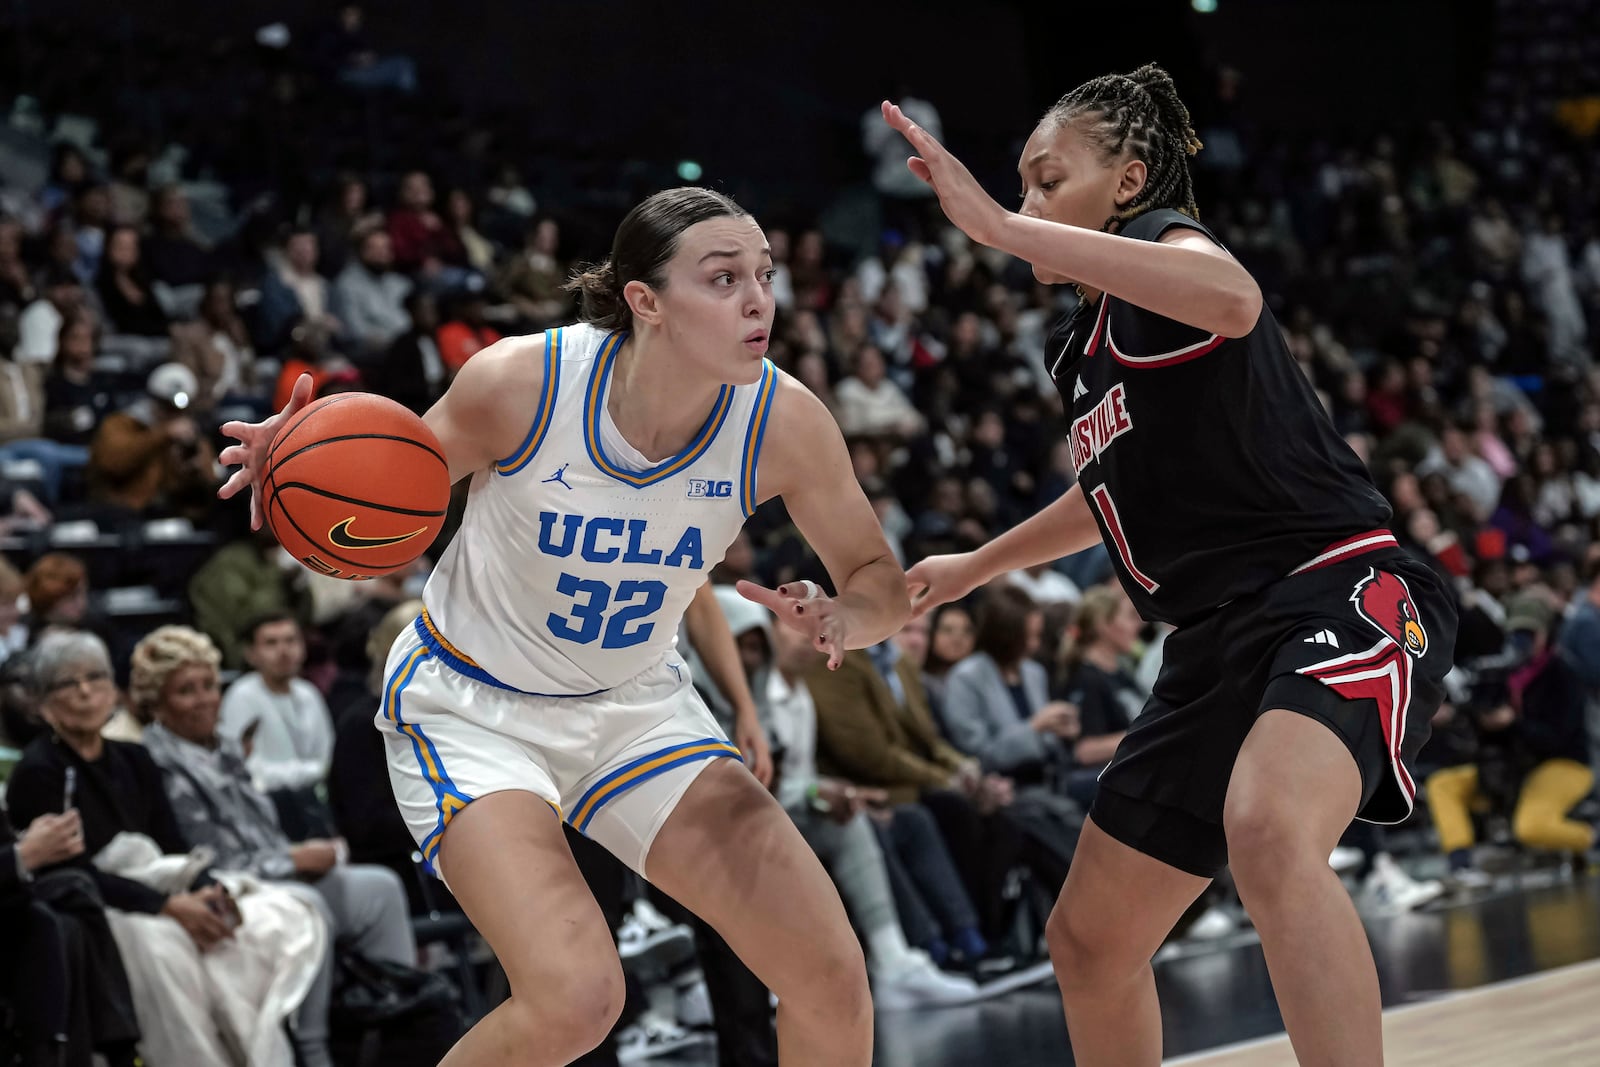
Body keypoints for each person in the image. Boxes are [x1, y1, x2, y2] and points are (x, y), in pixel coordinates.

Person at [219, 186, 908, 1066]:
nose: (758, 299)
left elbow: (882, 582)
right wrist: (310, 454)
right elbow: (391, 494)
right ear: (645, 300)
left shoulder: (785, 421)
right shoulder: (524, 382)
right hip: (475, 706)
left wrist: (846, 612)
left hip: (636, 706)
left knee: (829, 973)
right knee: (578, 997)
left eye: (764, 276)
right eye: (724, 277)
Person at [886, 65, 1458, 1065]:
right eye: (1019, 189)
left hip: (1339, 587)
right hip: (1210, 644)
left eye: (1045, 180)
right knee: (1089, 937)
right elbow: (1108, 495)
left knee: (1272, 834)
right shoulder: (1094, 341)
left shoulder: (1159, 248)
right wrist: (975, 562)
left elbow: (1232, 296)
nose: (1026, 203)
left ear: (1127, 182)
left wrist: (996, 228)